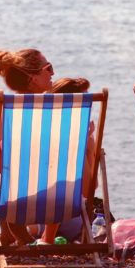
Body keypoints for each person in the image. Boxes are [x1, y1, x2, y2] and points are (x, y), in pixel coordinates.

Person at [0, 49, 55, 245]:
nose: (53, 73)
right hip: (59, 196)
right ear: (32, 78)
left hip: (15, 197)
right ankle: (45, 237)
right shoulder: (62, 110)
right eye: (48, 68)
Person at [36, 77, 98, 245]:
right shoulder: (84, 139)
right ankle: (47, 239)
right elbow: (88, 190)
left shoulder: (35, 134)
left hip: (27, 218)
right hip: (73, 221)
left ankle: (39, 238)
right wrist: (82, 144)